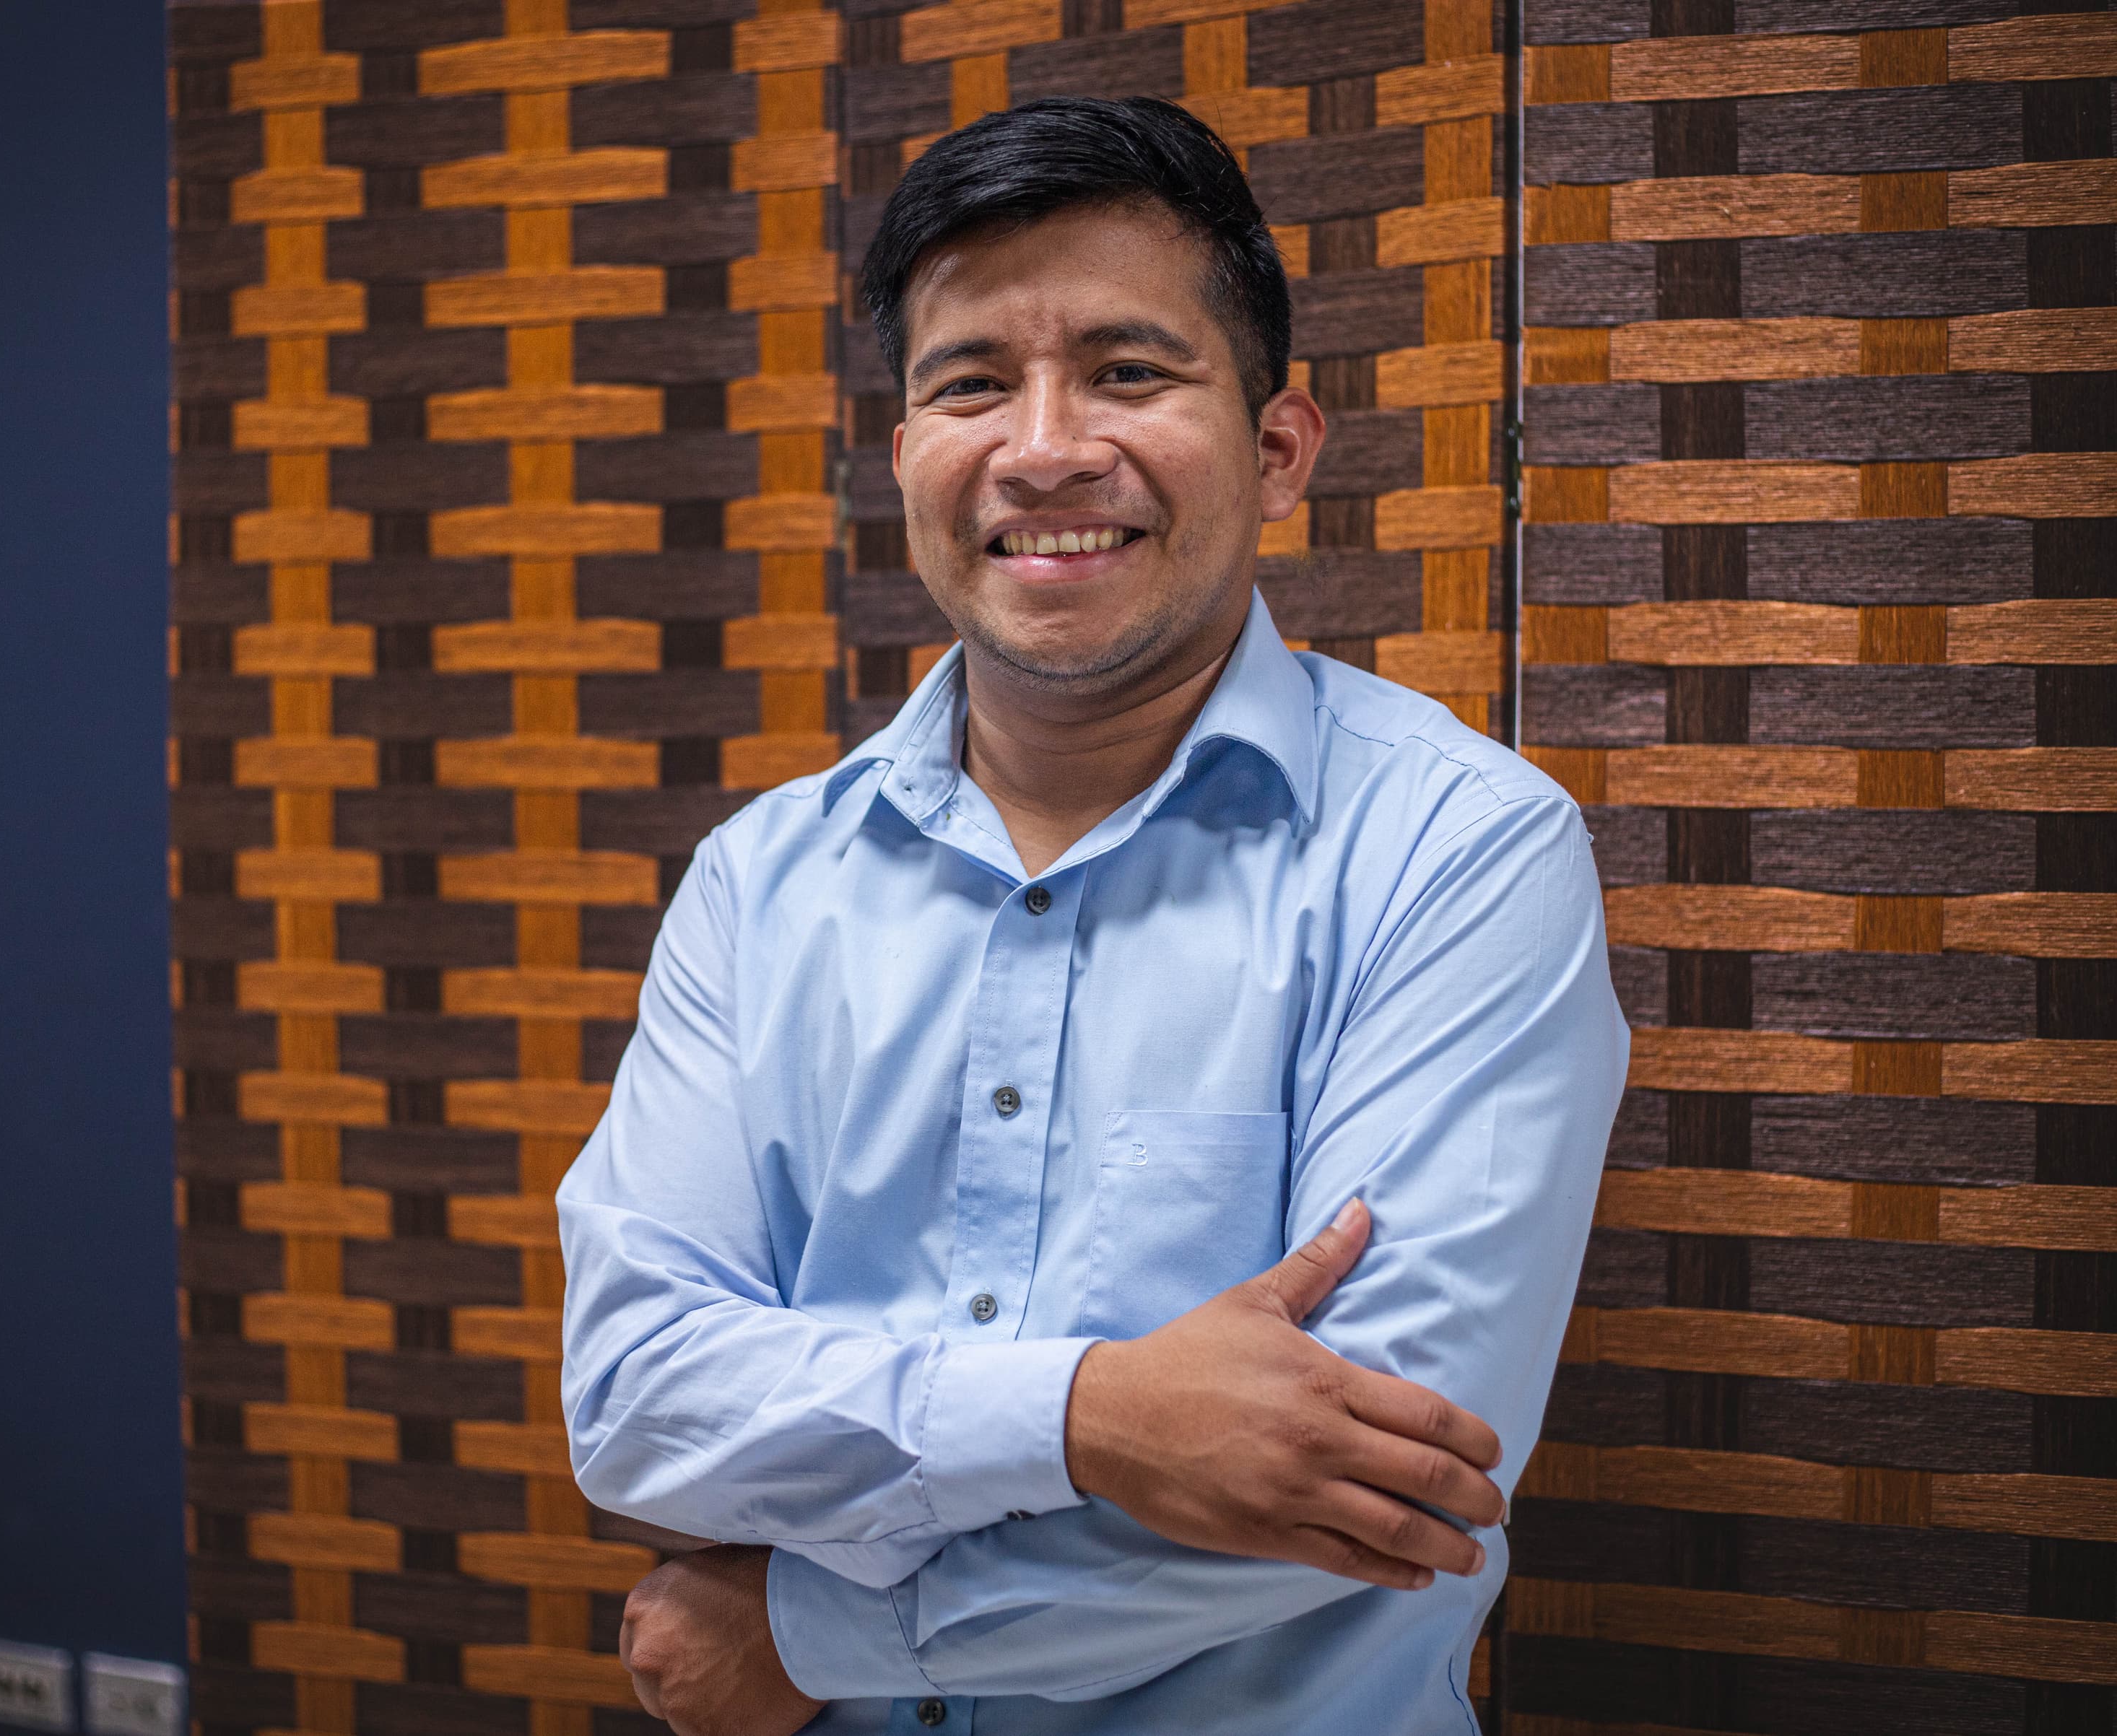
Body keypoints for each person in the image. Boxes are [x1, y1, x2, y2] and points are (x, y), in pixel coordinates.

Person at [556, 96, 1627, 1735]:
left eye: (1131, 373)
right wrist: (1094, 1412)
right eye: (970, 382)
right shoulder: (763, 882)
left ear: (1277, 449)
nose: (1044, 447)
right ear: (906, 453)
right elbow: (637, 1401)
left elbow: (1390, 1478)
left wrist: (816, 1638)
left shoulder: (1458, 851)